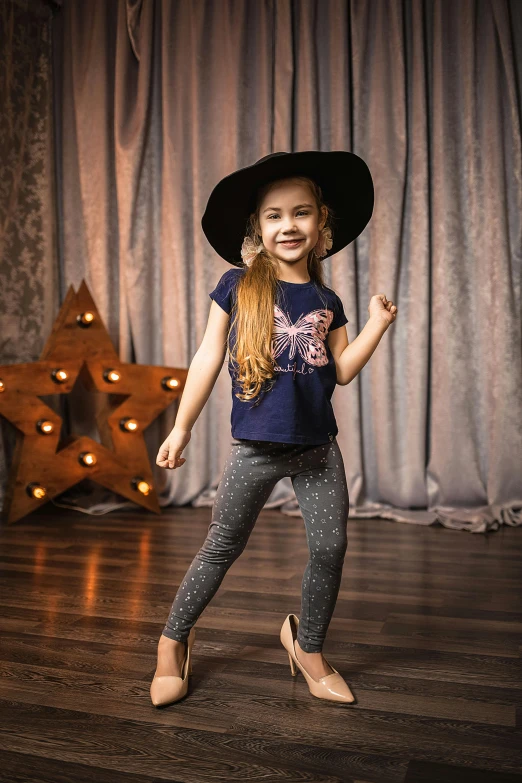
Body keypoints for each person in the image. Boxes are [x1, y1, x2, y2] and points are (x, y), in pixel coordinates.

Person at [150, 151, 397, 708]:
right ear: (257, 230)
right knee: (221, 547)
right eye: (274, 216)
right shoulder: (237, 286)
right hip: (255, 450)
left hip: (318, 450)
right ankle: (172, 641)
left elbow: (341, 371)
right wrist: (181, 428)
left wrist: (377, 324)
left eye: (302, 213)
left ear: (322, 225)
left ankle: (306, 646)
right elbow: (208, 356)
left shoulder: (327, 301)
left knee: (330, 548)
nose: (289, 225)